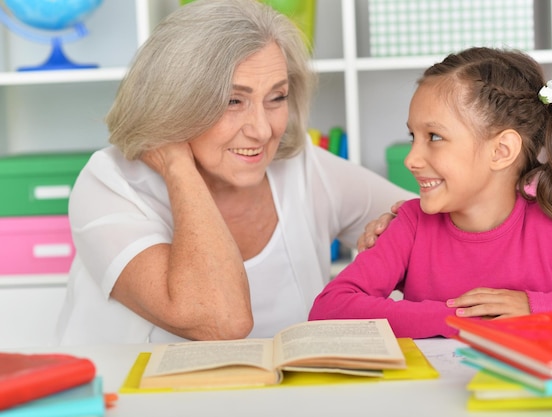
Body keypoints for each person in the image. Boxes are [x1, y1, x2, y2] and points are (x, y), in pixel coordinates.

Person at [55, 0, 415, 345]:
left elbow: (450, 228)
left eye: (276, 98)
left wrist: (408, 238)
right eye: (233, 101)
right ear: (174, 102)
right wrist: (178, 166)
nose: (262, 130)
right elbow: (220, 320)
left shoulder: (303, 167)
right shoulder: (109, 183)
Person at [309, 47, 552, 339]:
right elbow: (330, 309)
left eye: (434, 136)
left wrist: (535, 308)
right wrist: (460, 319)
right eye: (412, 136)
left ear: (501, 151)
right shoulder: (410, 225)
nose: (410, 159)